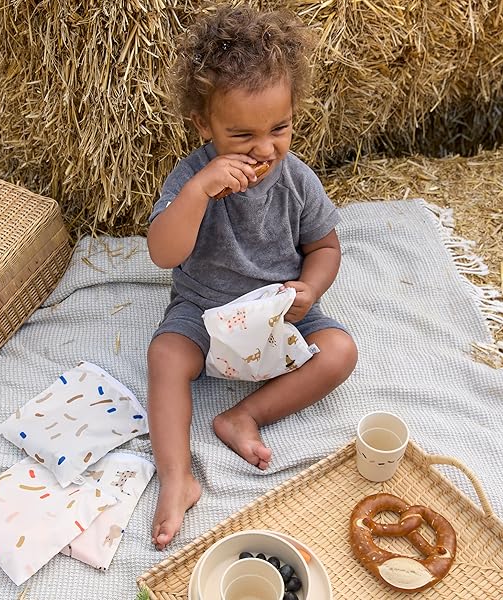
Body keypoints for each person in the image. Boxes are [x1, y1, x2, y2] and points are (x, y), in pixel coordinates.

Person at [145, 4, 358, 550]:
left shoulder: (296, 179)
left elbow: (324, 246)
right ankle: (176, 477)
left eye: (279, 128)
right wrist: (198, 192)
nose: (265, 149)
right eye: (241, 134)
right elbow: (163, 254)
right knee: (166, 357)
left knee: (340, 352)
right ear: (203, 124)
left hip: (279, 312)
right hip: (206, 312)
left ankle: (243, 416)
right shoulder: (190, 176)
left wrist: (311, 288)